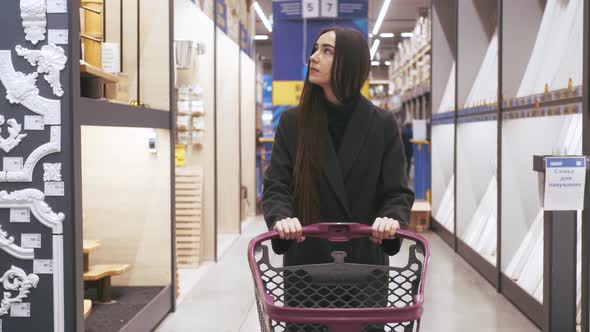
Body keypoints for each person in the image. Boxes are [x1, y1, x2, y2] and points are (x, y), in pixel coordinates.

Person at [261, 27, 415, 330]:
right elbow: (276, 185)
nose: (313, 57)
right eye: (315, 49)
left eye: (326, 51)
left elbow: (397, 192)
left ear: (351, 62)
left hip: (363, 264)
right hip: (306, 263)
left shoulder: (383, 124)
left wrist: (391, 219)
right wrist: (281, 217)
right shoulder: (293, 122)